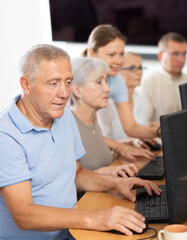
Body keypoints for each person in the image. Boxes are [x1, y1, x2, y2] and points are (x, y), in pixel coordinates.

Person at [0, 44, 161, 239]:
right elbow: (24, 215)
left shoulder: (64, 117)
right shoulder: (6, 136)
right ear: (26, 85)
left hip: (71, 231)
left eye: (67, 82)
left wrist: (116, 183)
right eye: (53, 83)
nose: (64, 93)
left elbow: (76, 174)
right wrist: (97, 219)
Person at [70, 56, 153, 175]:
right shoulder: (69, 124)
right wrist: (110, 171)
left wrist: (123, 147)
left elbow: (97, 160)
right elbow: (72, 179)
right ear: (77, 90)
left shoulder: (92, 121)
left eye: (105, 81)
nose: (108, 89)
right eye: (99, 82)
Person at [82, 24, 161, 148]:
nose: (118, 61)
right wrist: (122, 147)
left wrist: (158, 132)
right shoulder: (82, 81)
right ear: (92, 53)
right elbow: (90, 135)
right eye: (111, 55)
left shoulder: (116, 79)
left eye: (121, 54)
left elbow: (130, 126)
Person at [98, 52, 158, 146]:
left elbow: (141, 127)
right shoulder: (106, 102)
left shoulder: (137, 96)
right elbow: (100, 143)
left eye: (140, 68)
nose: (139, 72)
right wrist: (130, 141)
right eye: (132, 68)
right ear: (117, 72)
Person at [141, 32, 187, 122]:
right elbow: (144, 123)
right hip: (160, 135)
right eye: (175, 54)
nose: (182, 59)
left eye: (184, 54)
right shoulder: (149, 84)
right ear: (161, 55)